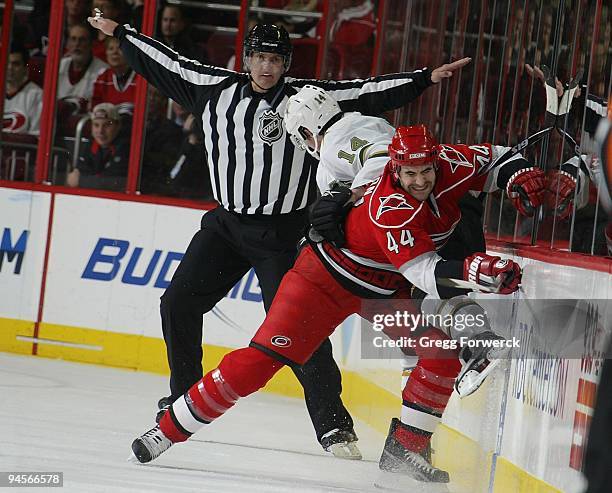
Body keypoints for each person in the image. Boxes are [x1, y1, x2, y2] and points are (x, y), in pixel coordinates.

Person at [88, 12, 470, 458]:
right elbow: (166, 63)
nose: (266, 67)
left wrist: (423, 78)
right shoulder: (213, 88)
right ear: (245, 58)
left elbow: (367, 91)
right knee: (178, 302)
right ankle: (183, 397)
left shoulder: (307, 100)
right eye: (259, 57)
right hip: (226, 225)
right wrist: (122, 33)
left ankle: (332, 426)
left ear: (286, 63)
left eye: (275, 59)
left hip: (283, 231)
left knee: (298, 326)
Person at [129, 123, 544, 486]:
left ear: (438, 161)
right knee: (262, 362)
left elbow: (496, 158)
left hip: (380, 290)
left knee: (441, 352)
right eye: (410, 173)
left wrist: (518, 176)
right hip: (321, 282)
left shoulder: (451, 163)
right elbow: (423, 273)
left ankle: (404, 452)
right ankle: (167, 430)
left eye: (426, 171)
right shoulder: (389, 207)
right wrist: (475, 269)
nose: (419, 181)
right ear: (394, 170)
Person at [66, 102, 129, 190]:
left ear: (118, 125)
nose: (100, 131)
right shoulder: (92, 144)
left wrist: (81, 181)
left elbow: (114, 183)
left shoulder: (126, 147)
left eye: (107, 125)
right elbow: (80, 172)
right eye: (96, 125)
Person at [57, 23, 108, 115]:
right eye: (73, 39)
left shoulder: (103, 70)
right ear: (67, 43)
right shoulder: (59, 66)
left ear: (91, 44)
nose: (77, 44)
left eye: (82, 40)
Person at [91, 37, 138, 116]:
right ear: (106, 53)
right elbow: (96, 109)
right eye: (110, 48)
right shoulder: (102, 78)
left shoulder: (140, 77)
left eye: (120, 48)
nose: (114, 52)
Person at [3, 44, 43, 135]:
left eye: (15, 64)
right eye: (6, 62)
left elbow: (35, 137)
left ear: (25, 68)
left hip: (20, 148)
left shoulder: (37, 95)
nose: (10, 68)